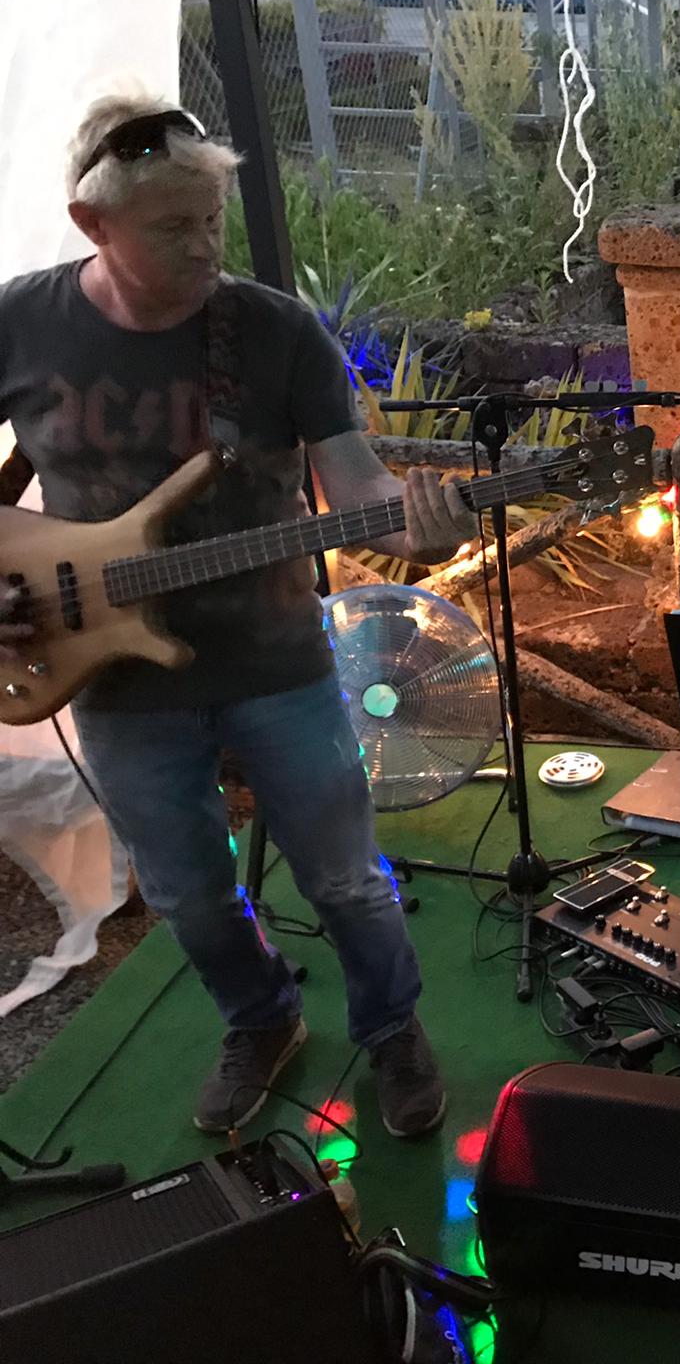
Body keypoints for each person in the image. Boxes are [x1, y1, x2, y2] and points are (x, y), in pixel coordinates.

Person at [0, 98, 478, 1138]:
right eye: (174, 226)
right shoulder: (22, 322)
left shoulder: (272, 330)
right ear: (92, 225)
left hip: (277, 661)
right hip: (114, 677)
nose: (206, 245)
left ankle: (391, 1026)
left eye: (212, 217)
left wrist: (421, 528)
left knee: (346, 879)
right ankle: (261, 1018)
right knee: (187, 893)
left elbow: (357, 486)